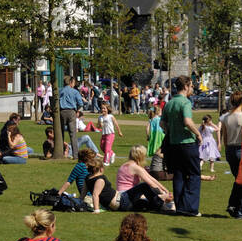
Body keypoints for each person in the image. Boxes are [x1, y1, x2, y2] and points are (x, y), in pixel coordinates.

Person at [161, 76, 202, 216]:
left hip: (173, 144)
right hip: (187, 143)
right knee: (194, 174)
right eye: (191, 86)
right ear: (185, 86)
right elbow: (187, 121)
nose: (192, 89)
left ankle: (179, 207)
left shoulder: (169, 103)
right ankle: (190, 208)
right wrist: (198, 134)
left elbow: (162, 123)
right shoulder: (185, 102)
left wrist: (170, 132)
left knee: (178, 175)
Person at [85, 153, 168, 213]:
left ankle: (161, 204)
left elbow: (83, 193)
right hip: (121, 201)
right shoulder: (100, 180)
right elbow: (95, 195)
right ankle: (161, 203)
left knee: (143, 204)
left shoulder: (87, 178)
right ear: (101, 169)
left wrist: (80, 202)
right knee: (143, 186)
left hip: (120, 203)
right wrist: (96, 210)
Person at [219, 91, 242, 219]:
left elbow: (225, 136)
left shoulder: (225, 117)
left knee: (239, 179)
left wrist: (227, 149)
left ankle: (234, 205)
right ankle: (241, 210)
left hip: (230, 150)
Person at [115, 146, 174, 210]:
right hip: (127, 197)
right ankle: (162, 204)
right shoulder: (135, 167)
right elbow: (151, 183)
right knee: (144, 186)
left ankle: (161, 203)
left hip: (122, 196)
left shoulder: (124, 165)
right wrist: (163, 194)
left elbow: (151, 178)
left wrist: (165, 190)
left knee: (145, 203)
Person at [58, 76, 84, 159]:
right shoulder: (75, 92)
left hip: (62, 111)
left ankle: (60, 153)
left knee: (60, 133)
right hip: (71, 112)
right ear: (71, 82)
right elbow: (80, 103)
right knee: (73, 135)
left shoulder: (60, 90)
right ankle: (75, 155)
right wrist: (76, 109)